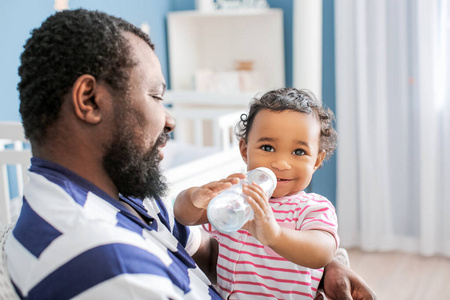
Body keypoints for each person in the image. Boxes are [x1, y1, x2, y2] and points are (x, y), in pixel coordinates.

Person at [4, 8, 375, 300]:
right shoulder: (112, 269)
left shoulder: (121, 196)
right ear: (90, 100)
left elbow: (213, 250)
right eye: (156, 96)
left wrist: (326, 265)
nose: (170, 120)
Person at [174, 88, 342, 299]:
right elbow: (183, 216)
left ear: (317, 160)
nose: (281, 163)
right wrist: (194, 198)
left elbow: (322, 253)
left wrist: (275, 235)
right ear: (245, 150)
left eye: (299, 152)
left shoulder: (313, 207)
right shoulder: (236, 197)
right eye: (267, 147)